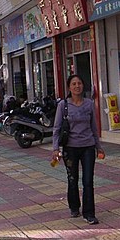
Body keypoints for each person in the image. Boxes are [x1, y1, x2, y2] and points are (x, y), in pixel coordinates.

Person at [51, 74, 105, 224]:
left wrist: (99, 147)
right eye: (74, 84)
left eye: (79, 83)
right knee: (72, 179)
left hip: (88, 146)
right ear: (69, 87)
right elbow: (56, 128)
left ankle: (89, 213)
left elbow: (94, 127)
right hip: (70, 148)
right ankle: (74, 206)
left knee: (88, 180)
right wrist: (56, 149)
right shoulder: (63, 105)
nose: (77, 86)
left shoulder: (89, 104)